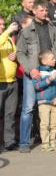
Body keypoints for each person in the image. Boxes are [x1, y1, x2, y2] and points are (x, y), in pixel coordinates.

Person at [16, 1, 56, 153]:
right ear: (35, 11)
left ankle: (51, 140)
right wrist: (30, 70)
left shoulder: (52, 28)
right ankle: (24, 143)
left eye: (46, 10)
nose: (45, 12)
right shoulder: (27, 30)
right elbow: (20, 53)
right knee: (29, 108)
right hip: (34, 73)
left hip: (51, 71)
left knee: (51, 105)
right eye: (42, 10)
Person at [32, 50, 56, 151]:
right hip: (43, 102)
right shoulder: (38, 73)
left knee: (54, 123)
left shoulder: (55, 72)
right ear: (44, 61)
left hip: (54, 102)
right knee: (44, 124)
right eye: (52, 59)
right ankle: (45, 144)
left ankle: (53, 141)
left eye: (54, 58)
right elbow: (37, 86)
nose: (55, 60)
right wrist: (48, 80)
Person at [0, 18, 20, 151]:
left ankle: (9, 141)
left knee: (10, 114)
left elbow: (15, 55)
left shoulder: (8, 39)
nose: (2, 26)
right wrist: (8, 31)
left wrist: (16, 56)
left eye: (3, 24)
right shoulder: (5, 36)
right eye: (0, 25)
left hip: (12, 81)